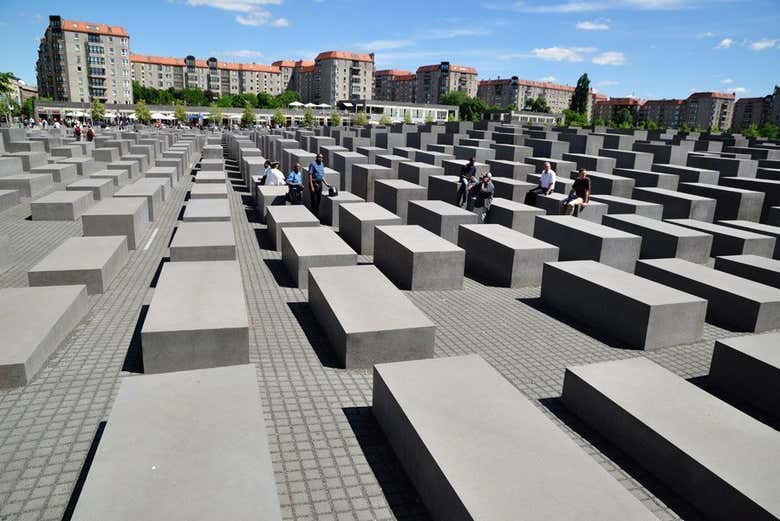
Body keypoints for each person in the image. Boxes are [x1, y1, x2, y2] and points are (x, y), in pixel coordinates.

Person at [308, 153, 331, 218]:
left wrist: (326, 183)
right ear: (316, 157)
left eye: (322, 157)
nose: (321, 159)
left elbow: (321, 176)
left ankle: (316, 214)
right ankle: (313, 214)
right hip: (314, 183)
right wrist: (312, 186)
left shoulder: (322, 164)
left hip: (319, 184)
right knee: (314, 200)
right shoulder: (313, 164)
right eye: (319, 157)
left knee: (318, 199)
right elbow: (310, 175)